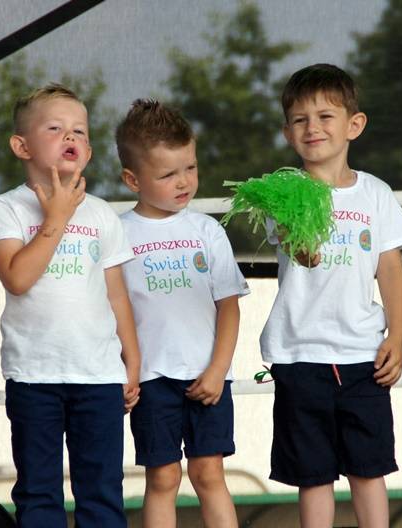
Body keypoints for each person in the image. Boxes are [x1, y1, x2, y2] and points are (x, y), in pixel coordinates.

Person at [0, 83, 141, 527]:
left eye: (80, 131)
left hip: (99, 375)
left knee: (102, 490)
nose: (70, 136)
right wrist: (58, 217)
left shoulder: (102, 213)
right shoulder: (5, 207)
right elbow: (17, 278)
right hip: (35, 375)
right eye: (55, 128)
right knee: (38, 491)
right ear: (21, 146)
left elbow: (116, 293)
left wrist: (132, 360)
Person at [260, 63, 402, 528]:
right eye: (300, 119)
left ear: (354, 124)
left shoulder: (375, 193)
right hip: (300, 353)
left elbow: (390, 268)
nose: (313, 128)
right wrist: (303, 247)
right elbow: (294, 246)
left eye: (326, 116)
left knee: (369, 468)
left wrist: (397, 335)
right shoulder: (283, 191)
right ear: (288, 132)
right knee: (314, 474)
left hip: (362, 355)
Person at [116, 99, 249, 528]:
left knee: (209, 473)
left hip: (208, 375)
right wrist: (127, 372)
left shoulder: (207, 229)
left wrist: (218, 370)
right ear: (132, 179)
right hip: (151, 380)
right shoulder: (118, 233)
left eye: (190, 167)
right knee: (163, 477)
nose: (184, 181)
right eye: (167, 174)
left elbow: (228, 306)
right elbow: (113, 312)